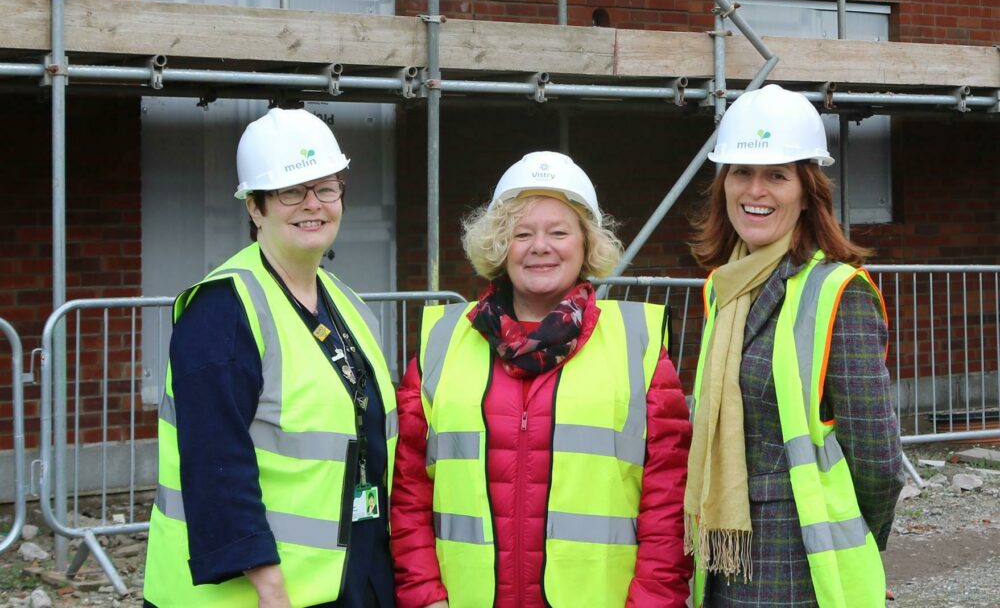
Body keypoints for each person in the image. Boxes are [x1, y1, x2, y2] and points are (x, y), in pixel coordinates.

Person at [390, 151, 692, 608]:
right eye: (521, 233)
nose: (540, 246)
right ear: (499, 245)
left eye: (559, 232)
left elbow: (668, 502)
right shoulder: (442, 343)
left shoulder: (637, 344)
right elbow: (409, 491)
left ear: (587, 244)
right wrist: (424, 596)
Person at [144, 108, 398, 608]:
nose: (313, 204)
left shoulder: (345, 302)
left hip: (344, 573)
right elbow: (216, 459)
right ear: (255, 208)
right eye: (291, 192)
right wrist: (269, 586)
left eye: (326, 188)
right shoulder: (223, 309)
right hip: (260, 593)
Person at [685, 84, 905, 607]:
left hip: (799, 565)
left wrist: (856, 545)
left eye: (777, 176)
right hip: (721, 559)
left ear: (807, 191)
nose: (755, 190)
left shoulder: (838, 292)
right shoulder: (724, 288)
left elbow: (877, 459)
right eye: (741, 172)